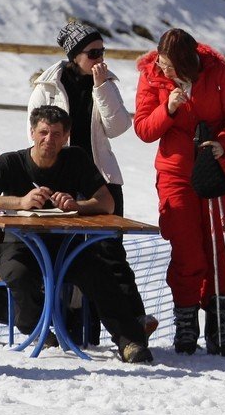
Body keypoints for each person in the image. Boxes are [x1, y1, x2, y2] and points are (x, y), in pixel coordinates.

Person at [0, 105, 152, 363]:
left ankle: (129, 341)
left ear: (66, 136)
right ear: (31, 132)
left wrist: (78, 206)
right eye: (43, 132)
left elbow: (106, 202)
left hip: (68, 244)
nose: (48, 139)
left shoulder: (76, 159)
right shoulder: (10, 162)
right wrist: (20, 202)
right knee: (18, 274)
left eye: (56, 134)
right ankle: (34, 328)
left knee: (100, 274)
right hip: (22, 245)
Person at [28, 19, 156, 341]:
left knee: (110, 251)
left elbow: (117, 128)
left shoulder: (106, 82)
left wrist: (102, 88)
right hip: (63, 180)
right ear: (74, 55)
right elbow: (36, 138)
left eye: (103, 51)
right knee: (67, 253)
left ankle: (134, 321)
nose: (100, 59)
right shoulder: (46, 88)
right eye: (92, 53)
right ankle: (78, 327)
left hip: (102, 179)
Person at [133, 28, 225, 356]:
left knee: (220, 245)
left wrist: (223, 144)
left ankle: (218, 323)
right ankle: (186, 322)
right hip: (176, 173)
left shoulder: (216, 72)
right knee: (186, 249)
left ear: (189, 63)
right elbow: (143, 129)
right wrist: (167, 109)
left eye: (171, 66)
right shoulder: (152, 77)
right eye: (162, 63)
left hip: (217, 171)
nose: (164, 70)